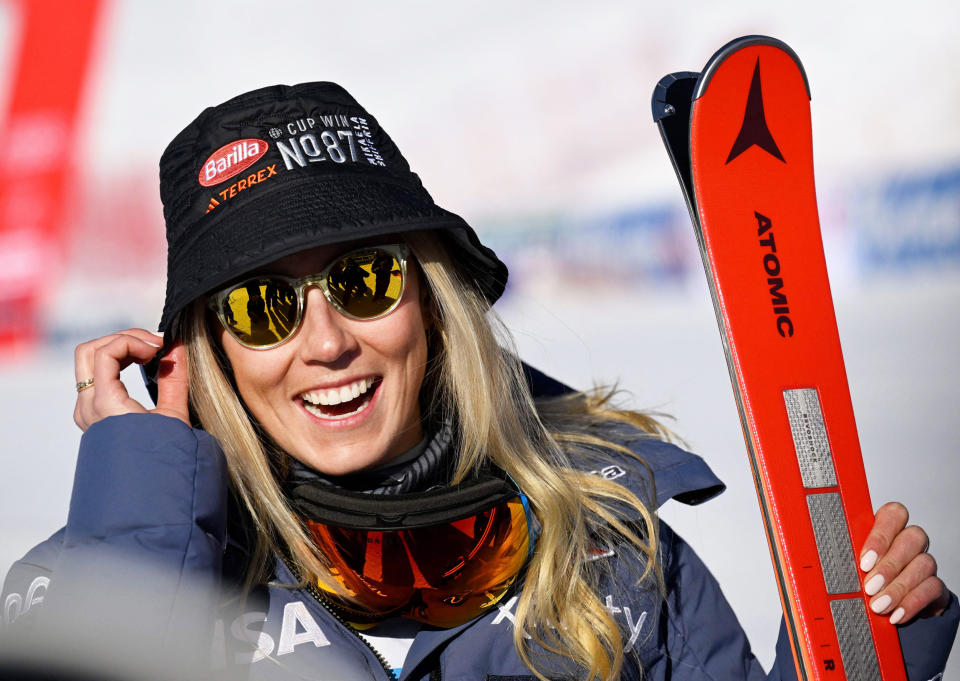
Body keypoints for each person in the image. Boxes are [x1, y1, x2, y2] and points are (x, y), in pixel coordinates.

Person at [1, 82, 956, 681]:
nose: (326, 342)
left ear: (433, 300)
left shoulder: (611, 549)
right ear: (204, 355)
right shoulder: (108, 568)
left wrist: (864, 657)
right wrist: (141, 519)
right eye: (262, 307)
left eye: (365, 279)